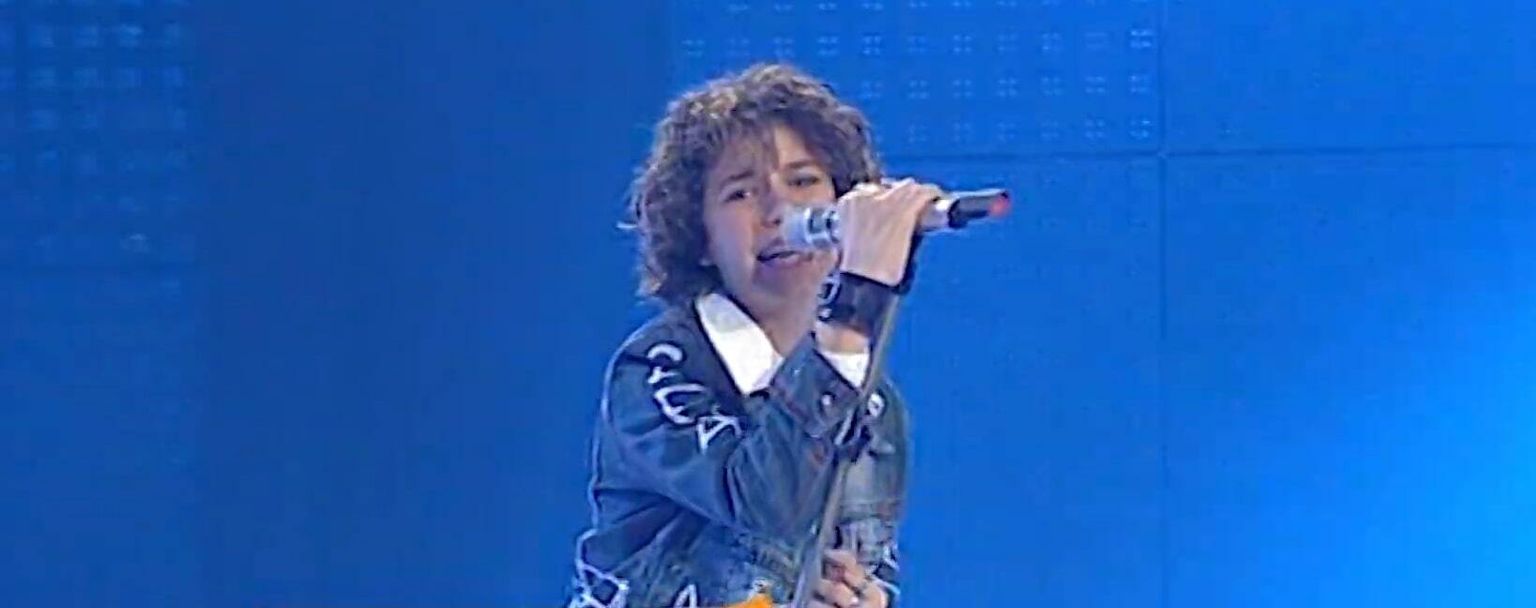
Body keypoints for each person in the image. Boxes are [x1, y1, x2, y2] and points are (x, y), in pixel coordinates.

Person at [566, 62, 943, 608]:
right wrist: (856, 299)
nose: (779, 211)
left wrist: (865, 599)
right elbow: (764, 505)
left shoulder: (873, 402)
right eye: (741, 193)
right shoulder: (661, 368)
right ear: (699, 237)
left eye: (803, 181)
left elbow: (867, 558)